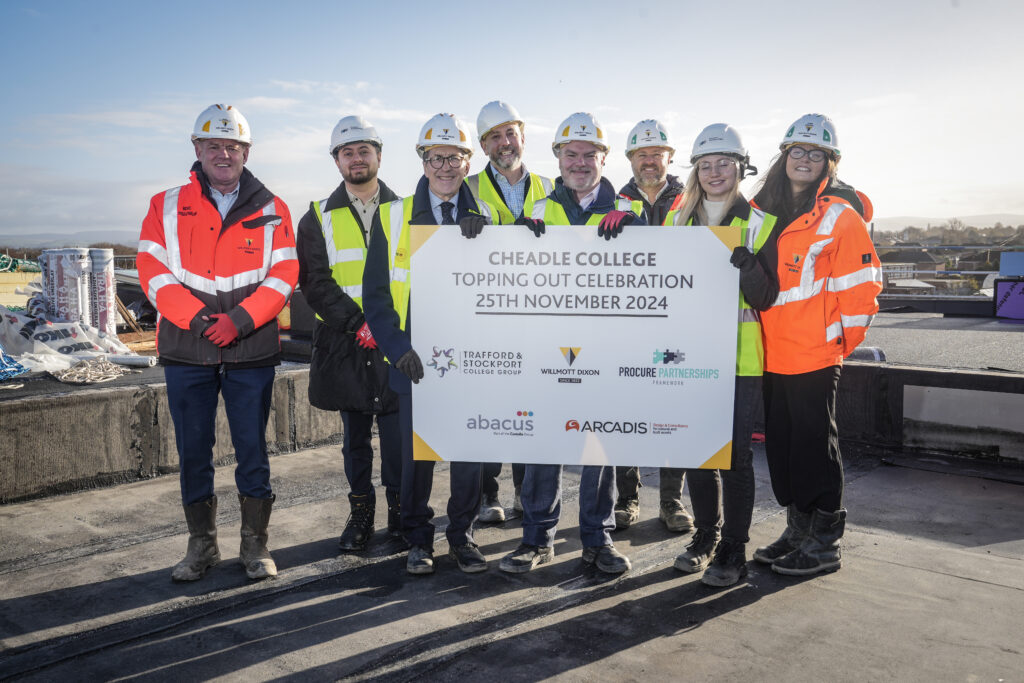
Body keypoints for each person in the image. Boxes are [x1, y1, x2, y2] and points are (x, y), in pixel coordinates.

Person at [138, 104, 298, 582]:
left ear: (246, 152)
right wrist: (199, 318)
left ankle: (255, 548)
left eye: (233, 146)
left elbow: (286, 271)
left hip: (250, 351)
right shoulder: (164, 205)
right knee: (194, 451)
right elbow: (151, 268)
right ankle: (201, 548)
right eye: (214, 145)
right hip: (188, 349)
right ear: (197, 150)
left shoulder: (273, 206)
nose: (223, 154)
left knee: (253, 450)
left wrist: (241, 320)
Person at [361, 113, 508, 575]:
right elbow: (376, 294)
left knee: (468, 456)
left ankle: (462, 536)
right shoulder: (393, 215)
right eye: (436, 157)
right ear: (423, 161)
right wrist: (396, 348)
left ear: (469, 161)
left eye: (456, 157)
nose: (446, 167)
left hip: (472, 360)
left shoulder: (492, 214)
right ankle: (418, 539)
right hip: (414, 362)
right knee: (413, 460)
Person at [499, 112, 643, 576]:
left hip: (605, 348)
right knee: (545, 444)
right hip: (550, 346)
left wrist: (634, 234)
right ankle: (537, 538)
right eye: (570, 154)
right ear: (558, 158)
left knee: (597, 449)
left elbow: (649, 279)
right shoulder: (538, 210)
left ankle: (596, 540)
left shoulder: (631, 211)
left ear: (603, 158)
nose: (579, 162)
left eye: (589, 154)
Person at [750, 113, 882, 576]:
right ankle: (798, 529)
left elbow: (863, 289)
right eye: (797, 152)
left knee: (814, 447)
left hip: (815, 354)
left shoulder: (840, 217)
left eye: (816, 154)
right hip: (772, 351)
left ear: (830, 163)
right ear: (784, 157)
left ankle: (824, 543)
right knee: (783, 447)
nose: (804, 160)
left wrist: (838, 343)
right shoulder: (762, 209)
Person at [664, 123, 779, 586]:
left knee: (733, 459)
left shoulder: (759, 223)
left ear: (739, 167)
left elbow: (766, 297)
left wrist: (749, 268)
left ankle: (734, 547)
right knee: (696, 451)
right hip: (687, 356)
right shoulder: (678, 221)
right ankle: (705, 536)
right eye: (706, 165)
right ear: (696, 171)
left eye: (723, 164)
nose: (714, 173)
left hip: (738, 360)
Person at [296, 115, 401, 552]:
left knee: (398, 442)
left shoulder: (407, 210)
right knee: (355, 442)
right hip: (347, 343)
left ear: (378, 155)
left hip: (395, 343)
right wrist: (360, 323)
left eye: (364, 150)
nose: (356, 159)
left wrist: (385, 329)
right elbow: (315, 283)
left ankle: (401, 517)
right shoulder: (317, 216)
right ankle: (360, 517)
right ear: (337, 161)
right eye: (347, 152)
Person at [465, 100, 553, 522]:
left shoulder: (552, 187)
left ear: (522, 135)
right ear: (483, 146)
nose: (504, 143)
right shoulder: (467, 188)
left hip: (536, 319)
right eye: (494, 137)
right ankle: (488, 496)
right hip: (486, 320)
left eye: (510, 133)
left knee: (529, 409)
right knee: (488, 408)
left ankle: (525, 491)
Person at [612, 119, 692, 534]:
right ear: (630, 159)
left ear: (669, 157)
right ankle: (627, 499)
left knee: (671, 413)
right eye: (641, 154)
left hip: (676, 325)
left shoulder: (691, 198)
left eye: (655, 154)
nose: (648, 161)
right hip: (628, 328)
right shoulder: (612, 200)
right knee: (626, 413)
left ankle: (671, 500)